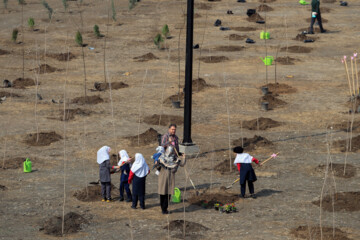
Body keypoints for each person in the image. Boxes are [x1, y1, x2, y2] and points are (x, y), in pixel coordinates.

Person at [156, 145, 186, 214]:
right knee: (162, 193)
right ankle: (163, 208)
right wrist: (157, 164)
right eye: (169, 150)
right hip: (163, 176)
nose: (170, 152)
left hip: (170, 176)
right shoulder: (162, 157)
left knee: (168, 193)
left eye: (171, 150)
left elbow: (182, 164)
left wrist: (183, 157)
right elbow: (157, 166)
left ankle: (165, 208)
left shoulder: (174, 158)